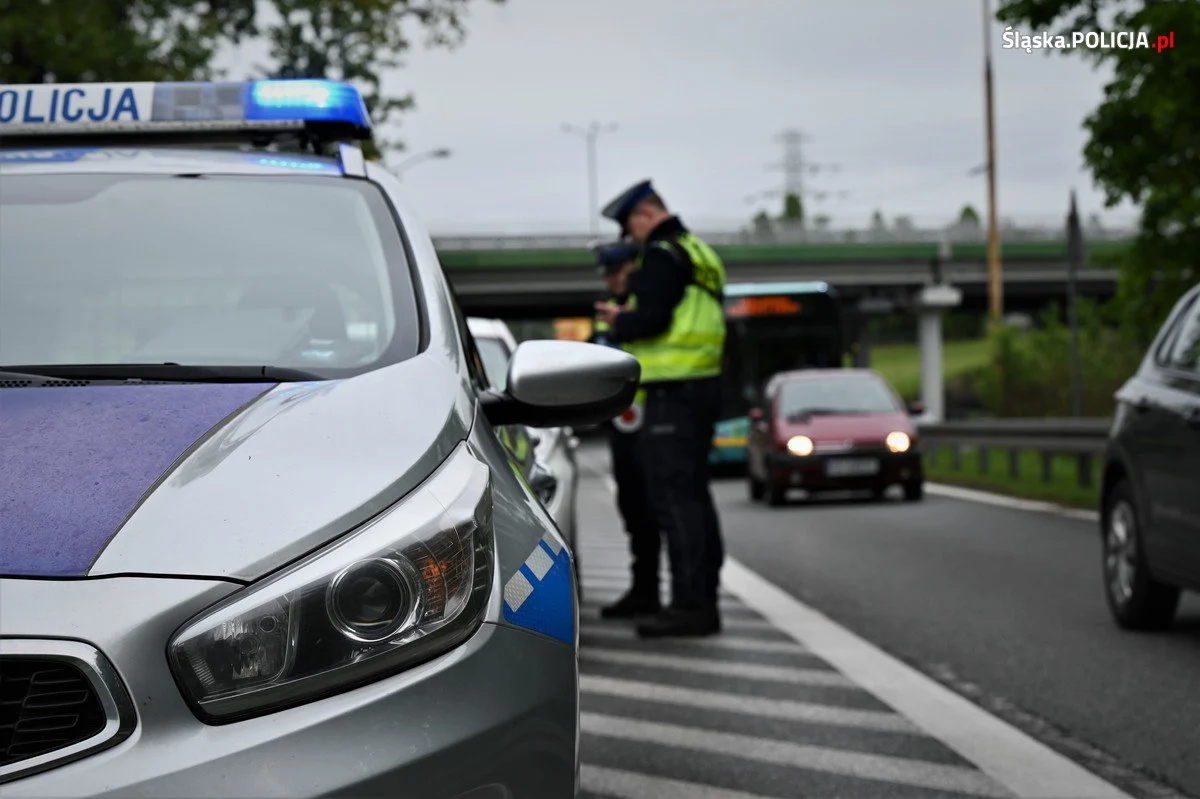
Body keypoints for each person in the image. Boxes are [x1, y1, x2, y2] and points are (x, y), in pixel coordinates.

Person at [593, 179, 727, 638]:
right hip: (700, 388)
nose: (631, 239)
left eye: (631, 227)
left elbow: (652, 320)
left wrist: (620, 321)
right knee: (693, 500)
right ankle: (700, 598)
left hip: (671, 393)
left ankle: (691, 606)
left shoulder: (661, 255)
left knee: (675, 502)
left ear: (646, 215)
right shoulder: (698, 252)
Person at [588, 241, 663, 618]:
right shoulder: (610, 311)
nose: (611, 280)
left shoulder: (647, 305)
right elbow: (594, 355)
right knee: (634, 510)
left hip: (654, 424)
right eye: (608, 274)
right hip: (624, 426)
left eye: (616, 272)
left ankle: (669, 594)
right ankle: (644, 591)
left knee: (656, 512)